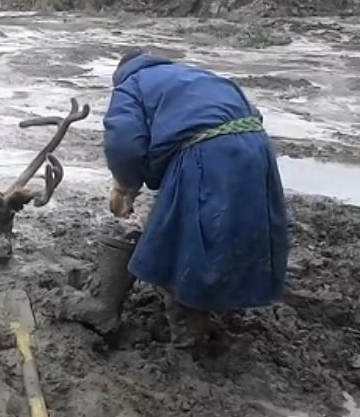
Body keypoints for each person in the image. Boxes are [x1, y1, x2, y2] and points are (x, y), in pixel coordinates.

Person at [68, 49, 291, 347]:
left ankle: (186, 329)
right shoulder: (194, 75)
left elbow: (124, 141)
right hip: (257, 150)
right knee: (235, 230)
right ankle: (217, 300)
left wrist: (125, 185)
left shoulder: (131, 84)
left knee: (184, 236)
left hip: (208, 152)